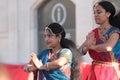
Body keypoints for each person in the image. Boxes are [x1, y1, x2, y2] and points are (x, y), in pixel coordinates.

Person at [79, 1, 120, 80]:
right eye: (94, 13)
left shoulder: (115, 32)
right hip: (94, 72)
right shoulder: (93, 33)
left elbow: (108, 47)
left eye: (99, 12)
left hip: (111, 73)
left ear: (108, 14)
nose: (95, 15)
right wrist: (86, 47)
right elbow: (77, 52)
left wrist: (92, 46)